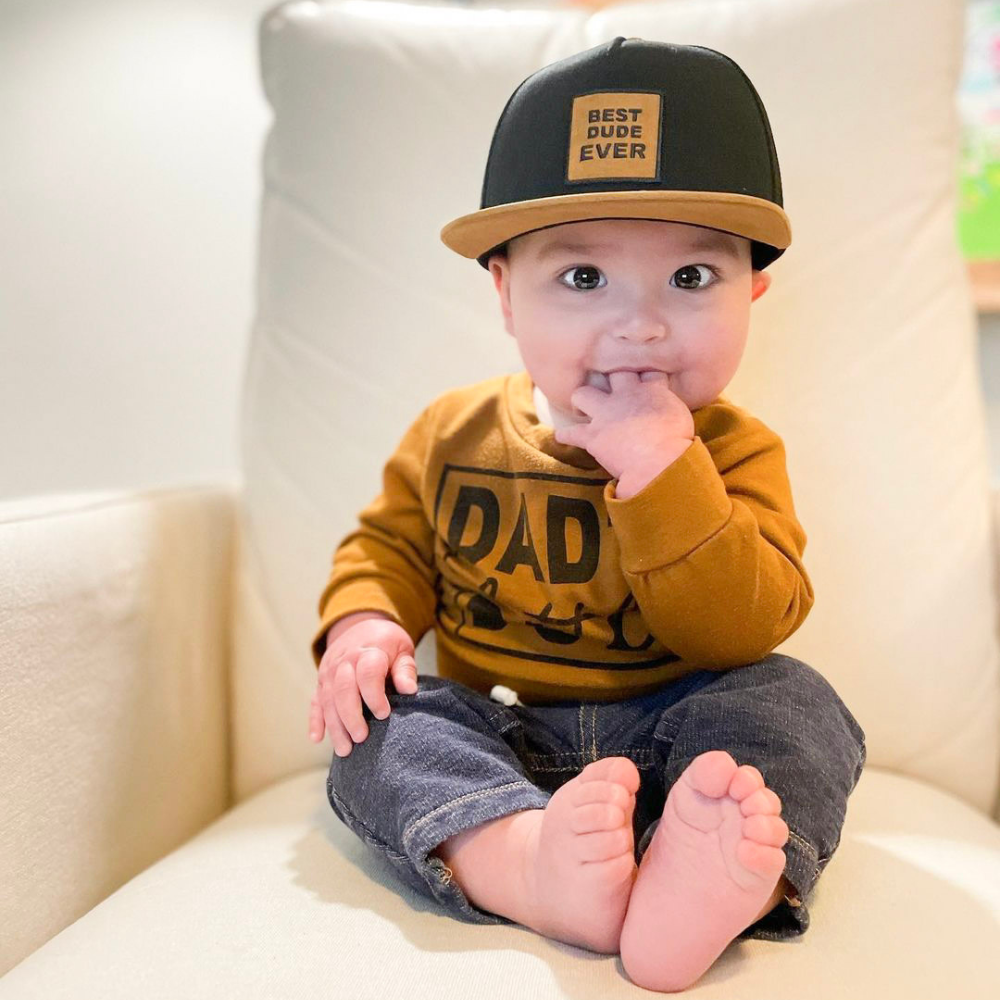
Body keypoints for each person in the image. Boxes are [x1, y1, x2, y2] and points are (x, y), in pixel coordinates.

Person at [307, 37, 866, 993]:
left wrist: (666, 473)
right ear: (505, 295)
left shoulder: (735, 450)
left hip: (682, 742)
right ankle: (520, 858)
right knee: (382, 726)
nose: (640, 323)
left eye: (691, 279)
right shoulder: (454, 431)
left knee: (798, 705)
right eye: (581, 278)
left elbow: (741, 629)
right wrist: (366, 623)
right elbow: (389, 545)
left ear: (752, 293)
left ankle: (705, 884)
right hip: (499, 736)